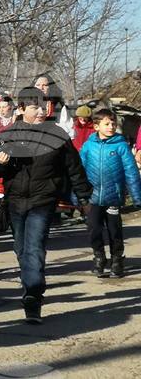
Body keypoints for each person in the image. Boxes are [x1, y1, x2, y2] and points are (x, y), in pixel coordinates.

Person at [0, 87, 91, 324]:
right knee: (21, 249)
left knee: (34, 247)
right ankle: (30, 284)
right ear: (21, 109)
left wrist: (85, 199)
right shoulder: (8, 135)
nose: (42, 111)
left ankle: (33, 297)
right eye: (36, 107)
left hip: (43, 200)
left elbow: (74, 168)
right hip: (15, 202)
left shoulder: (57, 135)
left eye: (44, 106)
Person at [79, 108, 141, 278]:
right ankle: (99, 257)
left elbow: (131, 172)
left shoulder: (121, 146)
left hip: (113, 196)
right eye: (107, 124)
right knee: (94, 229)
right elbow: (79, 171)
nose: (111, 126)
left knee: (114, 230)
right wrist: (77, 195)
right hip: (93, 197)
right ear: (96, 126)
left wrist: (137, 196)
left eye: (113, 123)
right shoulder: (88, 146)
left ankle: (117, 259)